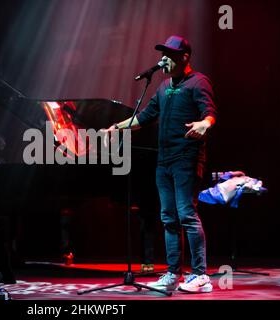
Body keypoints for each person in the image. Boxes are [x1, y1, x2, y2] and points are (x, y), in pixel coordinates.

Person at [103, 35, 217, 293]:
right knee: (168, 219)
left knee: (187, 215)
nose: (163, 58)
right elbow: (144, 117)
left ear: (184, 57)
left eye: (169, 54)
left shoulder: (198, 82)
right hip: (163, 160)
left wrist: (205, 123)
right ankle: (172, 274)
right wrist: (117, 127)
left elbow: (210, 112)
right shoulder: (164, 86)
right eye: (163, 53)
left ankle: (201, 276)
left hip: (186, 158)